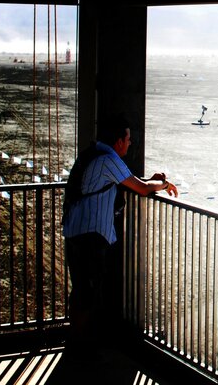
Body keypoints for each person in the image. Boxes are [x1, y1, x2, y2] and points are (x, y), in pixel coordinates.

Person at [62, 115, 178, 359]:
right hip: (90, 234)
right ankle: (82, 349)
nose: (130, 144)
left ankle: (75, 343)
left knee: (81, 290)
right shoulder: (108, 160)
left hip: (76, 230)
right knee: (89, 292)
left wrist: (153, 181)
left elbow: (131, 182)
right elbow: (141, 188)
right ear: (118, 142)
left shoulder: (93, 154)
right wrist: (163, 184)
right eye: (127, 139)